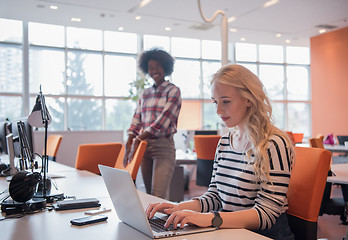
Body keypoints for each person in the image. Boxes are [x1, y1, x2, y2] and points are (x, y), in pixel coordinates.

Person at [146, 64, 295, 239]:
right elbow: (216, 196)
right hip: (230, 231)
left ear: (249, 99)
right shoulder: (225, 142)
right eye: (216, 102)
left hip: (263, 235)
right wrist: (179, 207)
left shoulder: (273, 143)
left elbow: (267, 214)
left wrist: (211, 219)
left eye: (226, 101)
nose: (218, 110)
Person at [124, 48, 182, 199]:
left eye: (158, 66)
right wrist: (130, 139)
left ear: (165, 67)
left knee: (158, 195)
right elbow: (137, 117)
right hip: (144, 147)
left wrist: (139, 138)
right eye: (151, 68)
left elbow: (164, 120)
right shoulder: (145, 93)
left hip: (163, 147)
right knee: (148, 195)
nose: (154, 70)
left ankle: (162, 223)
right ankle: (149, 224)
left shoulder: (173, 91)